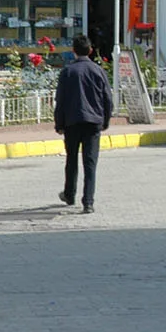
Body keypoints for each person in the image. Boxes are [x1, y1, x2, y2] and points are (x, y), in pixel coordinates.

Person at [54, 35, 112, 214]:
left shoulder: (68, 72)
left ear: (73, 51)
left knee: (71, 160)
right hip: (93, 122)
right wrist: (106, 120)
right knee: (90, 162)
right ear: (91, 51)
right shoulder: (98, 71)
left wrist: (59, 124)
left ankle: (70, 194)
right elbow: (107, 99)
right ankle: (88, 202)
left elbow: (60, 100)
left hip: (72, 122)